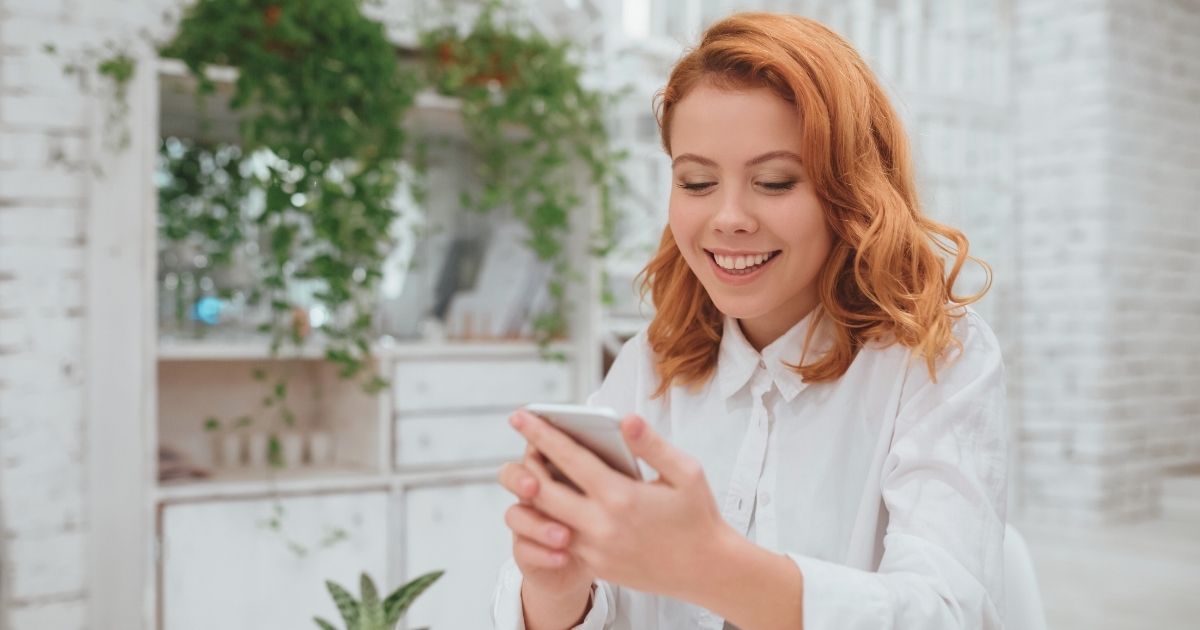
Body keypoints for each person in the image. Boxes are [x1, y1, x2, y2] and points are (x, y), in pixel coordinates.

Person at [492, 11, 1007, 630]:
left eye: (774, 181)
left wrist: (711, 567)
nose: (729, 217)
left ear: (852, 194)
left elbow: (950, 612)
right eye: (698, 180)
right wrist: (554, 590)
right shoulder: (650, 365)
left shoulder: (935, 361)